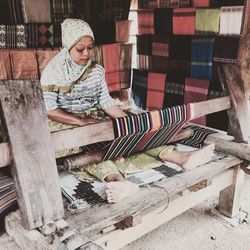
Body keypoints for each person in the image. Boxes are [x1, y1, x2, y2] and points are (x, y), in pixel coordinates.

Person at [41, 18, 215, 203]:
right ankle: (118, 181)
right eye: (79, 49)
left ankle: (182, 157)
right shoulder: (52, 73)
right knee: (89, 146)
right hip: (65, 121)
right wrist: (82, 122)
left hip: (94, 115)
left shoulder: (96, 71)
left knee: (132, 135)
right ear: (66, 48)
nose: (86, 54)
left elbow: (106, 102)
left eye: (90, 47)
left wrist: (130, 125)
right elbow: (49, 109)